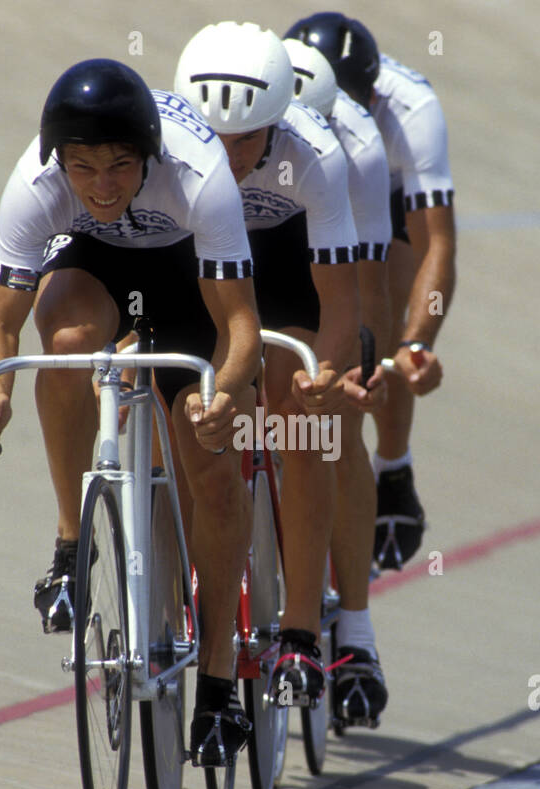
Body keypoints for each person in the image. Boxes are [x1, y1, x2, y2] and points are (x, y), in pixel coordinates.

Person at [0, 58, 262, 766]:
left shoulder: (200, 177)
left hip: (188, 271)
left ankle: (219, 685)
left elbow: (240, 329)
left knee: (211, 462)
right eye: (83, 168)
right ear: (57, 160)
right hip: (96, 264)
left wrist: (223, 395)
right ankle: (72, 547)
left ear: (149, 157)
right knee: (63, 343)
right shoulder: (34, 185)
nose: (101, 185)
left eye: (121, 166)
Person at [174, 22, 375, 710]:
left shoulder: (314, 154)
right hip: (199, 259)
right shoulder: (169, 145)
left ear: (278, 123)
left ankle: (298, 628)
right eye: (215, 140)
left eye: (246, 141)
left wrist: (326, 372)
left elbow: (341, 301)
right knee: (181, 387)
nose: (228, 157)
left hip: (285, 262)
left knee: (300, 416)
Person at [285, 13, 457, 572]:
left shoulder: (410, 111)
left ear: (371, 94)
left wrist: (417, 342)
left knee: (381, 317)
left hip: (383, 197)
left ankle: (391, 462)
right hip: (305, 187)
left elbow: (437, 245)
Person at [282, 37, 391, 724]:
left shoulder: (358, 151)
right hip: (252, 251)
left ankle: (354, 630)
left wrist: (358, 369)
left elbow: (366, 289)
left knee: (334, 427)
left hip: (326, 266)